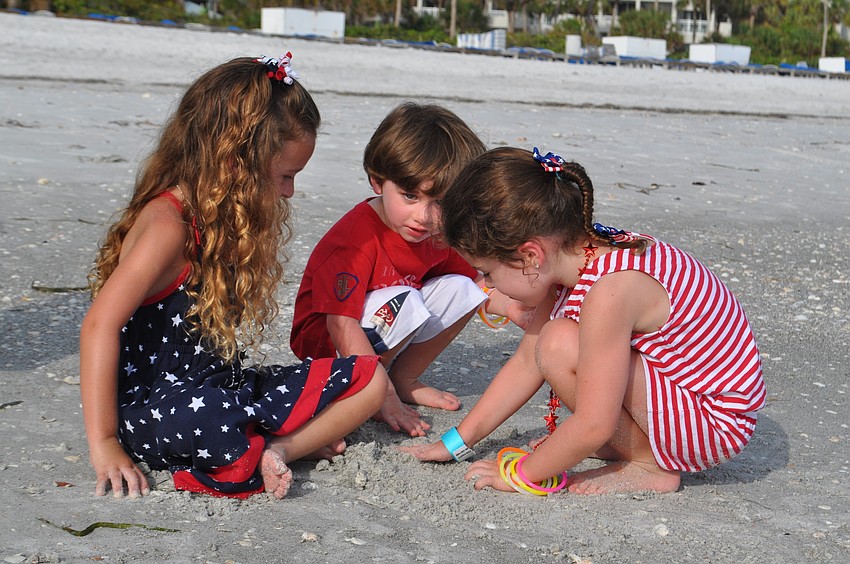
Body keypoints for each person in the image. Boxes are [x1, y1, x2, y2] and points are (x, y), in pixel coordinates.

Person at [79, 54, 388, 500]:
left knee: (370, 378)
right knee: (218, 419)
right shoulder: (168, 225)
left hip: (221, 385)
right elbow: (98, 326)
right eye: (285, 176)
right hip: (159, 409)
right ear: (234, 161)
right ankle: (265, 441)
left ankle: (278, 449)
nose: (289, 192)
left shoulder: (222, 219)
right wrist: (104, 441)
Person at [401, 146, 766, 495]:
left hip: (713, 422)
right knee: (553, 343)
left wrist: (521, 474)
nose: (489, 285)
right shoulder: (570, 255)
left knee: (559, 342)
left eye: (488, 272)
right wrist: (455, 444)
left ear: (530, 256)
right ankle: (631, 444)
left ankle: (648, 464)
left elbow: (594, 422)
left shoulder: (610, 290)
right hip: (680, 397)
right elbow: (526, 363)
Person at [290, 103, 526, 437]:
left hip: (382, 322)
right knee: (406, 300)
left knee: (463, 289)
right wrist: (380, 395)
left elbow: (476, 281)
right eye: (410, 196)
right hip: (328, 343)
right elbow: (339, 323)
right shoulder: (354, 241)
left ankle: (404, 378)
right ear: (377, 181)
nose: (424, 217)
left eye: (440, 202)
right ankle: (368, 387)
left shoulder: (433, 234)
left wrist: (515, 308)